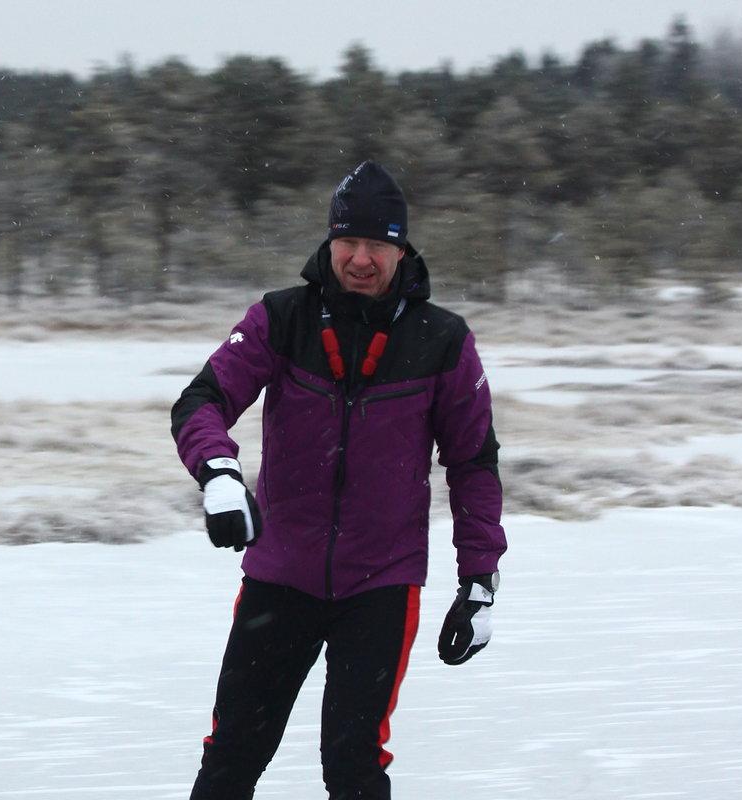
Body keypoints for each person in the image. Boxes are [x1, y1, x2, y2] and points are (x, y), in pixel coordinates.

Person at [170, 160, 506, 800]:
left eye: (376, 244)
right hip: (281, 578)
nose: (359, 258)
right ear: (329, 241)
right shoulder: (281, 318)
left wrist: (480, 578)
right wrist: (217, 472)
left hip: (380, 588)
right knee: (232, 756)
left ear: (400, 248)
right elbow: (202, 400)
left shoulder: (442, 340)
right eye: (348, 242)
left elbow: (472, 463)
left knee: (353, 765)